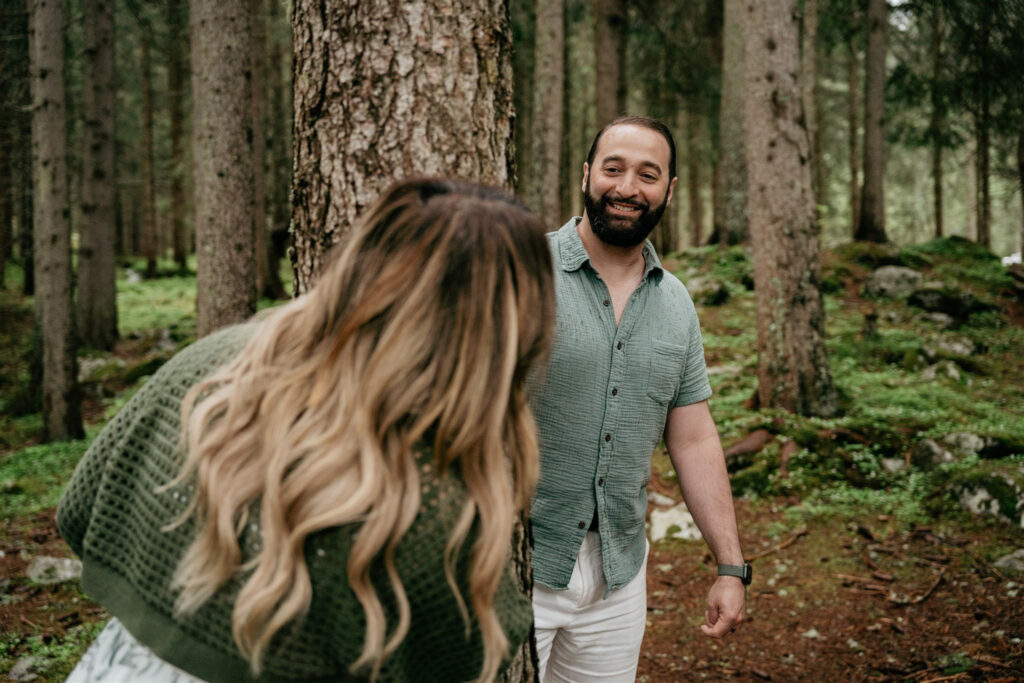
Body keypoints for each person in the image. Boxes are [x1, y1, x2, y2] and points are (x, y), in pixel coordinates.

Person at [57, 177, 556, 683]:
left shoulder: (221, 362)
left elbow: (81, 510)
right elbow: (463, 657)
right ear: (507, 328)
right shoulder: (423, 500)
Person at [528, 116, 748, 682]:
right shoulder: (523, 270)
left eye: (648, 174)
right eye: (613, 168)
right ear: (586, 175)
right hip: (513, 566)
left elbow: (694, 438)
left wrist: (730, 565)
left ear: (669, 190)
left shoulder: (676, 304)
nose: (628, 188)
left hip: (618, 580)